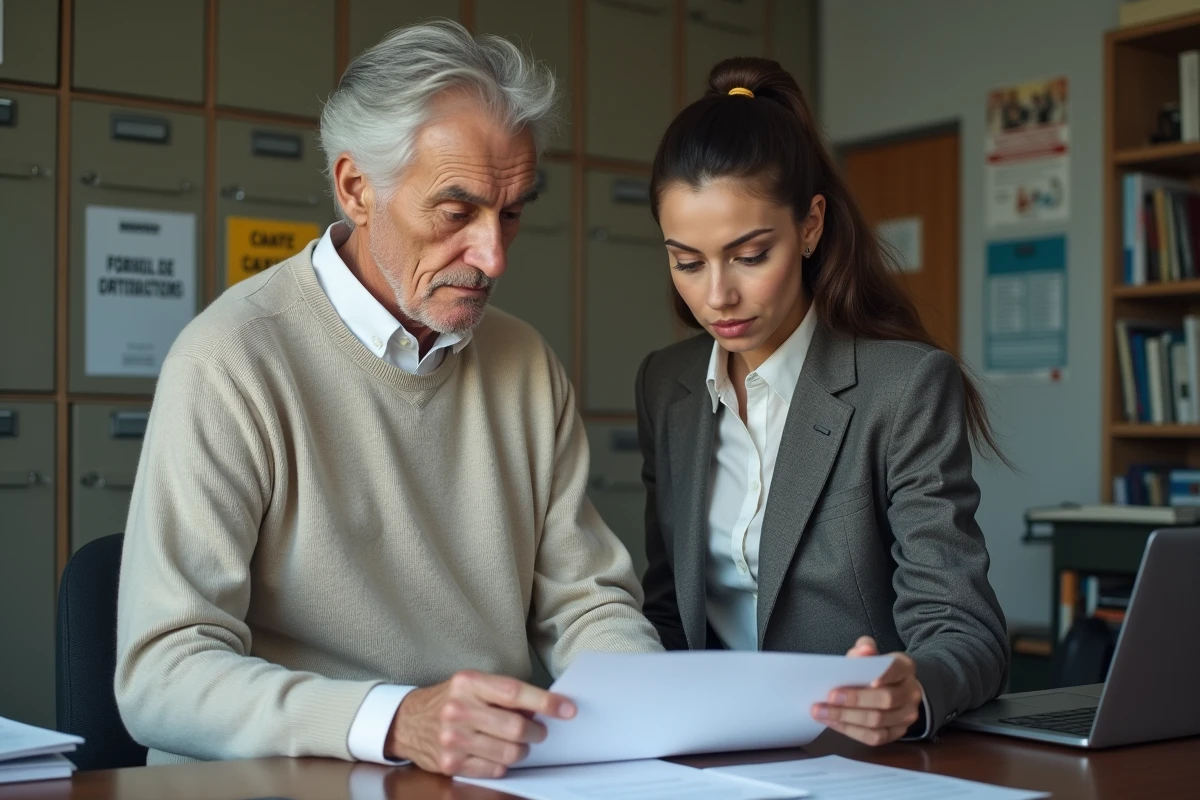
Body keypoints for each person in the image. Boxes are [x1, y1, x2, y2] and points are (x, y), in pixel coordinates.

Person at [114, 20, 661, 779]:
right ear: (355, 188)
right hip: (278, 782)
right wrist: (397, 721)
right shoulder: (230, 360)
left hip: (472, 779)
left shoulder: (525, 363)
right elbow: (161, 678)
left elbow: (587, 605)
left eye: (511, 213)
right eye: (455, 211)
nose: (493, 255)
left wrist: (661, 709)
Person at [636, 58, 1010, 747]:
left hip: (857, 759)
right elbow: (665, 611)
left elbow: (967, 631)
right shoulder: (668, 386)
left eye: (750, 255)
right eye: (687, 262)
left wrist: (913, 685)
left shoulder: (903, 387)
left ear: (809, 228)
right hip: (703, 757)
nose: (716, 295)